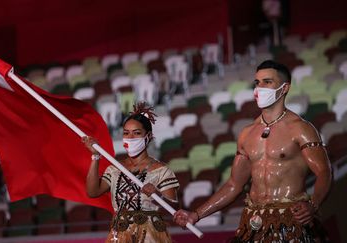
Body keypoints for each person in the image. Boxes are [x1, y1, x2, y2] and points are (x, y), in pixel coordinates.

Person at [174, 60, 332, 242]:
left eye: (267, 82)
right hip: (254, 223)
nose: (260, 87)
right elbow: (234, 184)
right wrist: (196, 215)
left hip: (290, 223)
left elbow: (324, 171)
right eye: (257, 82)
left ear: (285, 88)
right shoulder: (247, 133)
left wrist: (313, 204)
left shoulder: (301, 129)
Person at [83, 102, 180, 243]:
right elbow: (92, 192)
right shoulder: (115, 167)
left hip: (150, 236)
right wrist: (96, 156)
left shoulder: (161, 170)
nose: (130, 138)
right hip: (120, 235)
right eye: (126, 133)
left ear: (148, 136)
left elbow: (175, 209)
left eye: (137, 133)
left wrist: (157, 196)